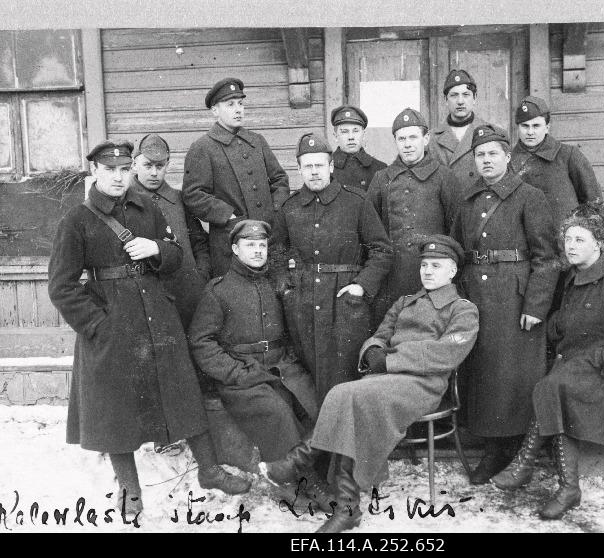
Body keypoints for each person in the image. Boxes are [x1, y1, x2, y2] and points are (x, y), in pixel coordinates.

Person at [48, 140, 251, 518]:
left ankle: (208, 470)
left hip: (158, 316)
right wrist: (98, 325)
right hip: (111, 326)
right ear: (94, 171)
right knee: (116, 410)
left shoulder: (148, 209)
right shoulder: (77, 219)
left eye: (124, 170)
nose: (118, 177)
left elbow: (175, 258)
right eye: (110, 170)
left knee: (183, 391)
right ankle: (129, 490)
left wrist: (156, 248)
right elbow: (61, 286)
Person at [259, 235, 479, 533]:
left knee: (350, 395)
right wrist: (373, 350)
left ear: (452, 271)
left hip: (423, 386)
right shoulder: (405, 302)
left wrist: (389, 360)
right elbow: (380, 334)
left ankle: (301, 463)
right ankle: (346, 505)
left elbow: (445, 354)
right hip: (385, 381)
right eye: (424, 265)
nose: (427, 271)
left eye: (436, 266)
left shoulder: (462, 309)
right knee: (347, 395)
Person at [491, 200, 604, 520]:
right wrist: (551, 326)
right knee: (555, 387)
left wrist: (597, 361)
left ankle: (528, 466)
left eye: (579, 240)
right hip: (573, 373)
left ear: (599, 244)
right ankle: (568, 488)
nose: (570, 246)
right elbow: (563, 326)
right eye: (567, 239)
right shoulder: (569, 279)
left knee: (553, 387)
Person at [451, 124, 560, 485]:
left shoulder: (528, 196)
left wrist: (536, 305)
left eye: (492, 153)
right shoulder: (467, 201)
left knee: (513, 377)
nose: (485, 160)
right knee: (483, 375)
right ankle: (492, 451)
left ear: (507, 156)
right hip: (476, 298)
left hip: (515, 301)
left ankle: (515, 453)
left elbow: (547, 257)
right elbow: (456, 250)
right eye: (480, 154)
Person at [271, 132, 393, 405]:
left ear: (330, 166)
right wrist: (286, 287)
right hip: (304, 300)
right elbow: (275, 251)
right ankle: (318, 440)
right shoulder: (290, 208)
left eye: (319, 165)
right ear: (299, 169)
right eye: (307, 166)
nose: (314, 172)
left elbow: (382, 249)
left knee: (344, 375)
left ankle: (345, 442)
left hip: (345, 299)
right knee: (310, 371)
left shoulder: (355, 201)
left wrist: (361, 286)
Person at [188, 219, 319, 463]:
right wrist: (235, 373)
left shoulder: (275, 283)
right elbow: (201, 342)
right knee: (278, 413)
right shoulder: (219, 290)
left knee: (316, 408)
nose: (258, 251)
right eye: (250, 245)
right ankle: (293, 483)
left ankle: (325, 475)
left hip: (283, 367)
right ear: (236, 250)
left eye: (262, 245)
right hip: (243, 377)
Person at [182, 77, 290, 277]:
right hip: (229, 243)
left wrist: (273, 211)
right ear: (215, 111)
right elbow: (193, 194)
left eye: (240, 103)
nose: (238, 109)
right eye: (230, 104)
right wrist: (228, 215)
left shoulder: (257, 141)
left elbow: (280, 180)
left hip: (266, 239)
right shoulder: (203, 147)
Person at [367, 108, 461, 325]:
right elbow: (371, 233)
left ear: (426, 138)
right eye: (401, 138)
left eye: (413, 137)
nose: (407, 144)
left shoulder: (444, 177)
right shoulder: (382, 179)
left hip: (432, 281)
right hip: (391, 281)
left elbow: (456, 232)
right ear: (395, 141)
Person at [509, 95, 603, 231]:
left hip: (564, 245)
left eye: (536, 126)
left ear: (547, 127)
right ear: (517, 127)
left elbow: (594, 202)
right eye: (525, 126)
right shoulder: (508, 162)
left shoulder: (568, 156)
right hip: (527, 246)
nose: (530, 132)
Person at [429, 69, 489, 189]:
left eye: (466, 95)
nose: (460, 101)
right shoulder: (431, 138)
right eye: (454, 95)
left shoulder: (490, 133)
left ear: (475, 98)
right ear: (446, 100)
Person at [330, 104, 387, 191]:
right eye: (344, 132)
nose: (351, 137)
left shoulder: (379, 168)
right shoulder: (327, 168)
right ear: (335, 137)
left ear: (363, 134)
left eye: (355, 131)